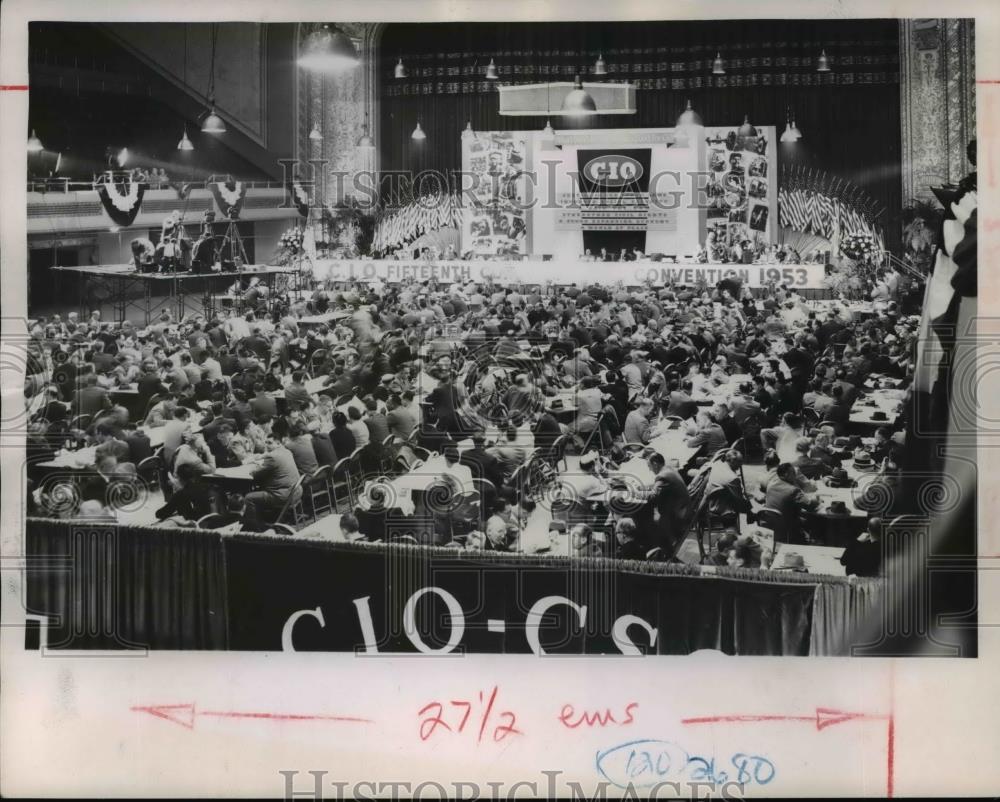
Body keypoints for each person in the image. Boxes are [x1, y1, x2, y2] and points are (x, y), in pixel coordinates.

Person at [243, 439, 303, 529]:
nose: (267, 445)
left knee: (248, 497)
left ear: (278, 443)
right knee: (262, 487)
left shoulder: (272, 457)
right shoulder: (287, 452)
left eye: (270, 443)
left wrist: (255, 468)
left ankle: (255, 527)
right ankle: (265, 519)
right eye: (266, 442)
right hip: (296, 491)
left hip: (283, 496)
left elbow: (255, 474)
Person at [764, 462, 820, 542]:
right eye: (793, 473)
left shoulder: (770, 485)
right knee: (814, 519)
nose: (795, 475)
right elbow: (810, 505)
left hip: (771, 525)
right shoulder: (793, 490)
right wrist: (817, 499)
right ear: (786, 474)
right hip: (788, 527)